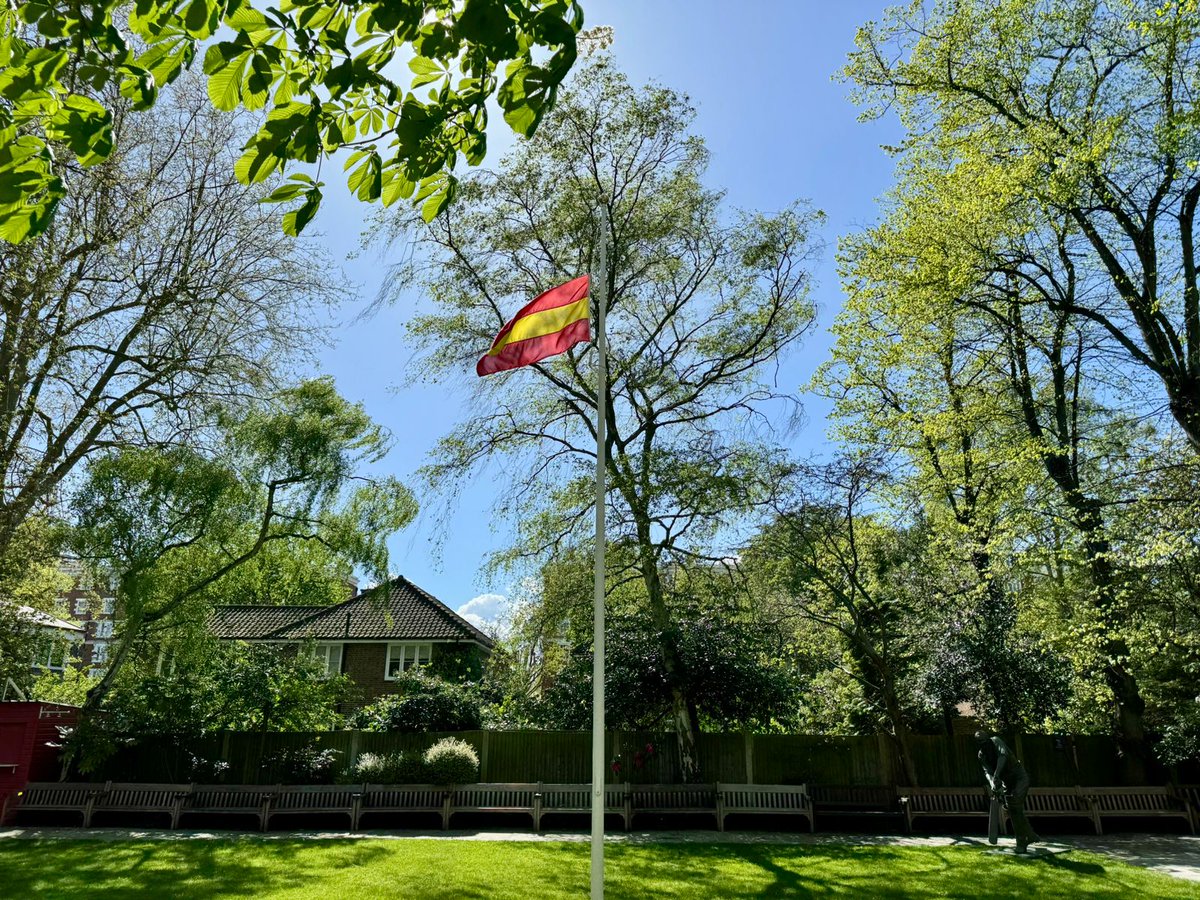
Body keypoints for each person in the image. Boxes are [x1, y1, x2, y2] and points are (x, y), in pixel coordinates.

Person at [975, 730, 1040, 853]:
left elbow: (1002, 756)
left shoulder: (996, 741)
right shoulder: (981, 755)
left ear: (988, 739)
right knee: (1013, 810)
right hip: (1007, 783)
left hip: (1019, 778)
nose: (983, 745)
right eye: (980, 743)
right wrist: (993, 783)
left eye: (984, 741)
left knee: (1014, 805)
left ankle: (1022, 842)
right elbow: (987, 772)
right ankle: (1030, 835)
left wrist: (997, 774)